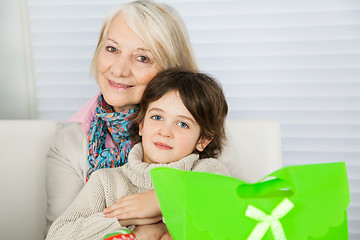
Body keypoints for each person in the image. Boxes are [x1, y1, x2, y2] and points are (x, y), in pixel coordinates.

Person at [45, 0, 198, 237]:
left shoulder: (199, 132)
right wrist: (134, 219)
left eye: (142, 58)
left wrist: (166, 200)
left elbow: (233, 213)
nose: (118, 69)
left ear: (171, 71)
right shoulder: (69, 145)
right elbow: (59, 235)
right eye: (112, 49)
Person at [46, 69, 230, 240]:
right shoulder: (106, 181)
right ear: (141, 124)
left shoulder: (207, 171)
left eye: (183, 124)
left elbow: (226, 217)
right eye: (157, 117)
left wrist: (162, 201)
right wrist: (123, 221)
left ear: (202, 140)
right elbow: (57, 236)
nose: (165, 131)